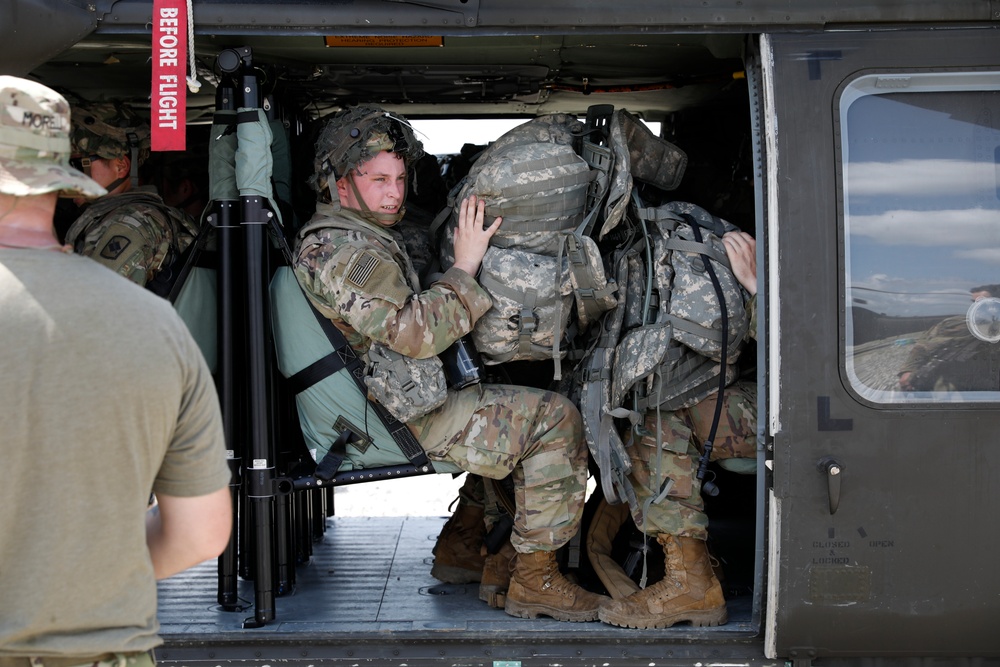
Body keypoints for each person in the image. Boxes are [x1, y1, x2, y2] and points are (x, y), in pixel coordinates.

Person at [293, 105, 608, 622]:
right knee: (556, 419)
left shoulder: (361, 233)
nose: (394, 192)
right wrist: (465, 264)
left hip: (387, 402)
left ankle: (464, 546)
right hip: (393, 418)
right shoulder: (341, 250)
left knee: (506, 380)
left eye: (399, 178)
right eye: (377, 179)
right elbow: (413, 333)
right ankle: (537, 580)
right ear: (337, 182)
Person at [0, 76, 233, 664]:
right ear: (60, 174)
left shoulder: (122, 229)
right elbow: (200, 534)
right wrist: (90, 567)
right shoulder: (154, 325)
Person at [596, 229, 758, 630]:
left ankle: (693, 583)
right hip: (777, 392)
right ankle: (692, 579)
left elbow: (810, 344)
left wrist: (759, 287)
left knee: (655, 426)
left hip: (809, 405)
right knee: (651, 414)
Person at [64, 101, 199, 289]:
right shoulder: (136, 217)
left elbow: (97, 307)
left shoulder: (127, 224)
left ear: (121, 166)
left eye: (76, 165)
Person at [897, 284, 1000, 393]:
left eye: (983, 303)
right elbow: (923, 346)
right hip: (959, 386)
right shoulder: (954, 325)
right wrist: (908, 371)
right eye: (973, 303)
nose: (975, 307)